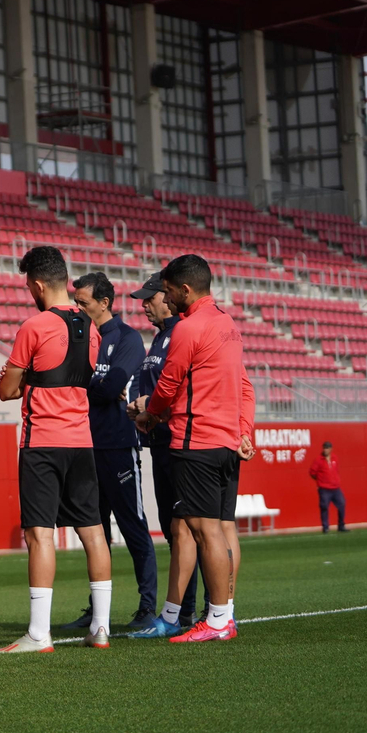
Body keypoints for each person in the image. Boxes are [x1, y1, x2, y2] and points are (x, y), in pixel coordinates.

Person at [134, 254, 255, 643]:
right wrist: (245, 430)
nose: (165, 298)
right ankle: (215, 614)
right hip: (226, 442)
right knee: (213, 527)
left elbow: (168, 386)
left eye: (168, 290)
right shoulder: (228, 325)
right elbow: (245, 386)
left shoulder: (189, 329)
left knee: (205, 531)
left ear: (185, 289)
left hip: (195, 440)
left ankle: (218, 620)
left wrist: (150, 415)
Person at [0, 245, 113, 654]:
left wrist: (23, 376)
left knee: (39, 534)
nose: (29, 290)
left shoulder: (35, 326)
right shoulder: (92, 328)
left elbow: (8, 389)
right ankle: (101, 628)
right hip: (81, 441)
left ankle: (39, 633)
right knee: (94, 533)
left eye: (29, 283)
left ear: (39, 283)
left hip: (43, 442)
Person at [69, 271, 156, 632]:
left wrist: (82, 383)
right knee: (95, 530)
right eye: (75, 302)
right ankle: (97, 608)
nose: (77, 307)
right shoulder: (76, 334)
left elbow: (112, 387)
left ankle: (148, 607)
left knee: (133, 526)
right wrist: (97, 385)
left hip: (118, 446)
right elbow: (98, 386)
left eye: (83, 303)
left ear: (105, 303)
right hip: (83, 446)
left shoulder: (127, 338)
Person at [125, 271, 201, 638]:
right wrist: (139, 408)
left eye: (149, 298)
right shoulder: (159, 339)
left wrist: (149, 406)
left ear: (166, 295)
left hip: (180, 441)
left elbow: (181, 386)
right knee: (176, 532)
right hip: (160, 439)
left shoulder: (181, 333)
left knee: (190, 529)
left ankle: (190, 611)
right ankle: (183, 611)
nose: (144, 305)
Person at [310, 442, 346, 533]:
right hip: (324, 488)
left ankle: (341, 525)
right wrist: (320, 481)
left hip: (335, 488)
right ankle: (325, 527)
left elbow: (336, 470)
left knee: (342, 504)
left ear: (331, 449)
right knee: (324, 507)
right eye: (324, 448)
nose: (325, 450)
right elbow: (312, 472)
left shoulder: (335, 458)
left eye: (327, 448)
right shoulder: (318, 460)